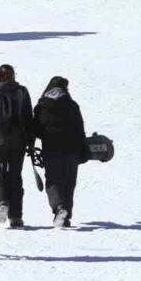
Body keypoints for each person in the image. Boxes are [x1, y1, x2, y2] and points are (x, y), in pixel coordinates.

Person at [33, 75, 89, 227]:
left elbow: (36, 129)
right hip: (72, 151)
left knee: (53, 182)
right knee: (69, 183)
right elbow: (79, 129)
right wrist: (84, 151)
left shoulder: (41, 106)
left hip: (51, 150)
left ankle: (59, 207)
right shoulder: (72, 106)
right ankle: (66, 215)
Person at [0, 64, 33, 228]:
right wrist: (31, 141)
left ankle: (1, 202)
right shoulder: (22, 91)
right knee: (15, 176)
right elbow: (28, 116)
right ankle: (16, 216)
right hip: (18, 140)